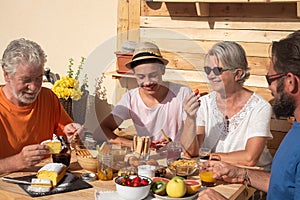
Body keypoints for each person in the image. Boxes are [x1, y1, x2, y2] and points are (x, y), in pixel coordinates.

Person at [198, 30, 300, 200]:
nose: (269, 88)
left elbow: (250, 158)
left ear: (291, 81)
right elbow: (282, 184)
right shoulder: (296, 130)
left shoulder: (260, 108)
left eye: (270, 79)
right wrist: (240, 173)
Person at [181, 41, 273, 169]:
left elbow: (250, 158)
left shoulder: (259, 107)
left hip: (251, 180)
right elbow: (192, 151)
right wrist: (190, 118)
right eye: (208, 70)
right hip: (213, 174)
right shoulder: (205, 103)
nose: (211, 76)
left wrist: (210, 157)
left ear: (238, 74)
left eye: (218, 70)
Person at [0, 38, 81, 174]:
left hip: (45, 180)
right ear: (7, 75)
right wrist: (18, 161)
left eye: (38, 78)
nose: (34, 87)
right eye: (26, 80)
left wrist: (73, 134)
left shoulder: (48, 97)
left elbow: (70, 137)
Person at [96, 42, 191, 147]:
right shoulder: (131, 99)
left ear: (163, 70)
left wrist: (174, 146)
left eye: (153, 75)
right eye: (141, 77)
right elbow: (100, 132)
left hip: (178, 159)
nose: (147, 82)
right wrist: (135, 144)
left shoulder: (182, 93)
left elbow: (193, 135)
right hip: (146, 159)